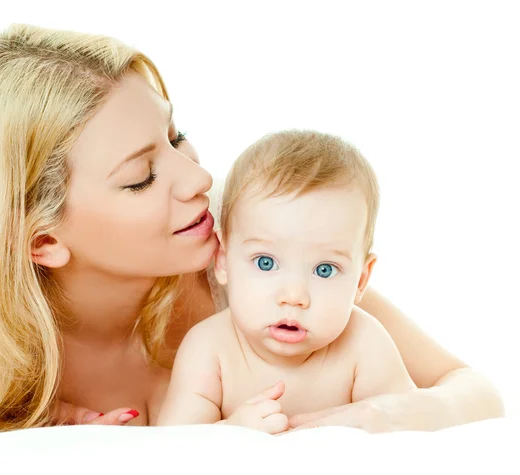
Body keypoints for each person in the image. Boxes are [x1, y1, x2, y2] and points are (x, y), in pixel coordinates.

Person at [0, 23, 504, 434]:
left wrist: (401, 415)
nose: (199, 176)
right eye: (142, 176)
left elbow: (473, 390)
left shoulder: (263, 262)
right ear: (43, 241)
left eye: (175, 137)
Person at [156, 130, 417, 433]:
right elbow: (174, 446)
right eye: (265, 263)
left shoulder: (365, 346)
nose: (293, 296)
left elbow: (407, 437)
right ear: (223, 261)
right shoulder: (210, 349)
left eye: (324, 270)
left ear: (361, 280)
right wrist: (231, 431)